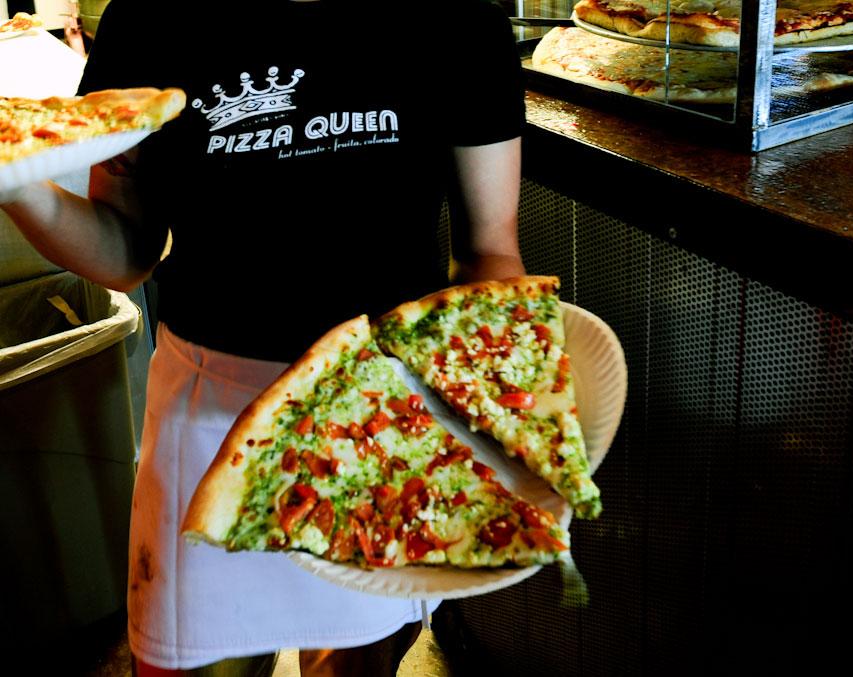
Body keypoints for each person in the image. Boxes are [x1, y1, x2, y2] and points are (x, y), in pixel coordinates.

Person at [0, 0, 527, 674]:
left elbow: (488, 249)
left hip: (378, 418)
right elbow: (125, 250)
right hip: (206, 413)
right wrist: (21, 187)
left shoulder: (455, 20)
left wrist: (506, 396)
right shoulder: (152, 19)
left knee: (353, 664)